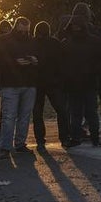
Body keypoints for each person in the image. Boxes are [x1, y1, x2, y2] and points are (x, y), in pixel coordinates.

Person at [60, 3, 101, 147]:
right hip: (84, 82)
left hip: (81, 82)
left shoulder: (67, 42)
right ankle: (91, 138)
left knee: (79, 112)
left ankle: (81, 137)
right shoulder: (93, 39)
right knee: (85, 112)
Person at [0, 16, 39, 157]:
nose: (24, 34)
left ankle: (20, 144)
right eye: (21, 31)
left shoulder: (32, 41)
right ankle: (6, 147)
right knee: (9, 116)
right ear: (16, 27)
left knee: (24, 116)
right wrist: (16, 63)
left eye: (26, 31)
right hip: (10, 83)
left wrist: (34, 60)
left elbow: (40, 57)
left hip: (28, 83)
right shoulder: (5, 41)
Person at [31, 20, 69, 150]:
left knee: (37, 112)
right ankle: (64, 138)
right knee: (61, 110)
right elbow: (62, 63)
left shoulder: (32, 43)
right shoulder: (55, 44)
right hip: (53, 82)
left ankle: (40, 140)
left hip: (36, 82)